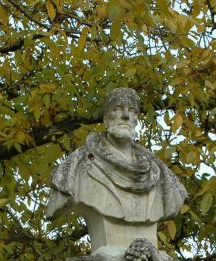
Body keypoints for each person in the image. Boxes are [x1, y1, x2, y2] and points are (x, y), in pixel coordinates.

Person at [45, 87, 187, 228]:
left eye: (132, 111)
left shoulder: (159, 173)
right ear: (106, 117)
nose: (125, 115)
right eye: (118, 109)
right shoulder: (78, 167)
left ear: (136, 118)